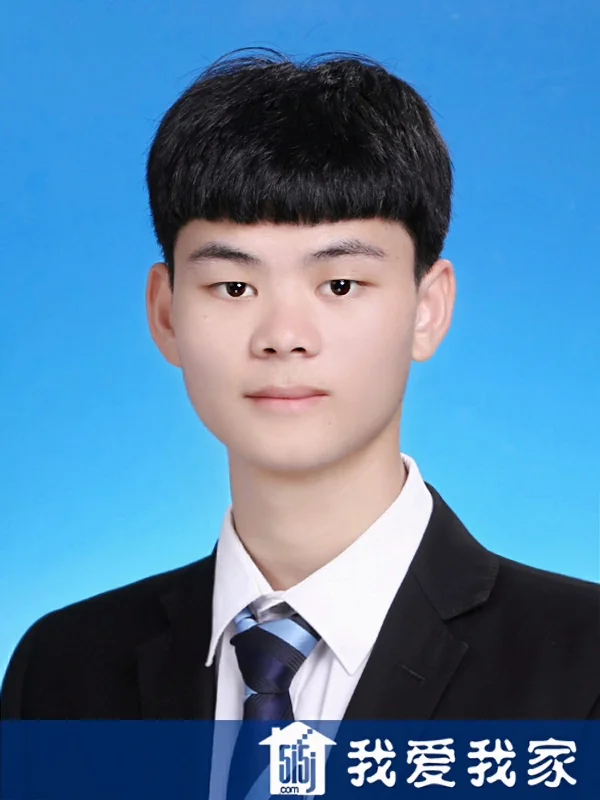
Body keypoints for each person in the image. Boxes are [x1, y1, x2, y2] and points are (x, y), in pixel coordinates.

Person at [1, 49, 598, 724]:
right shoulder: (61, 672)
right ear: (166, 314)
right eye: (234, 286)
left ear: (428, 310)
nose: (284, 336)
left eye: (340, 284)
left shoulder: (583, 666)